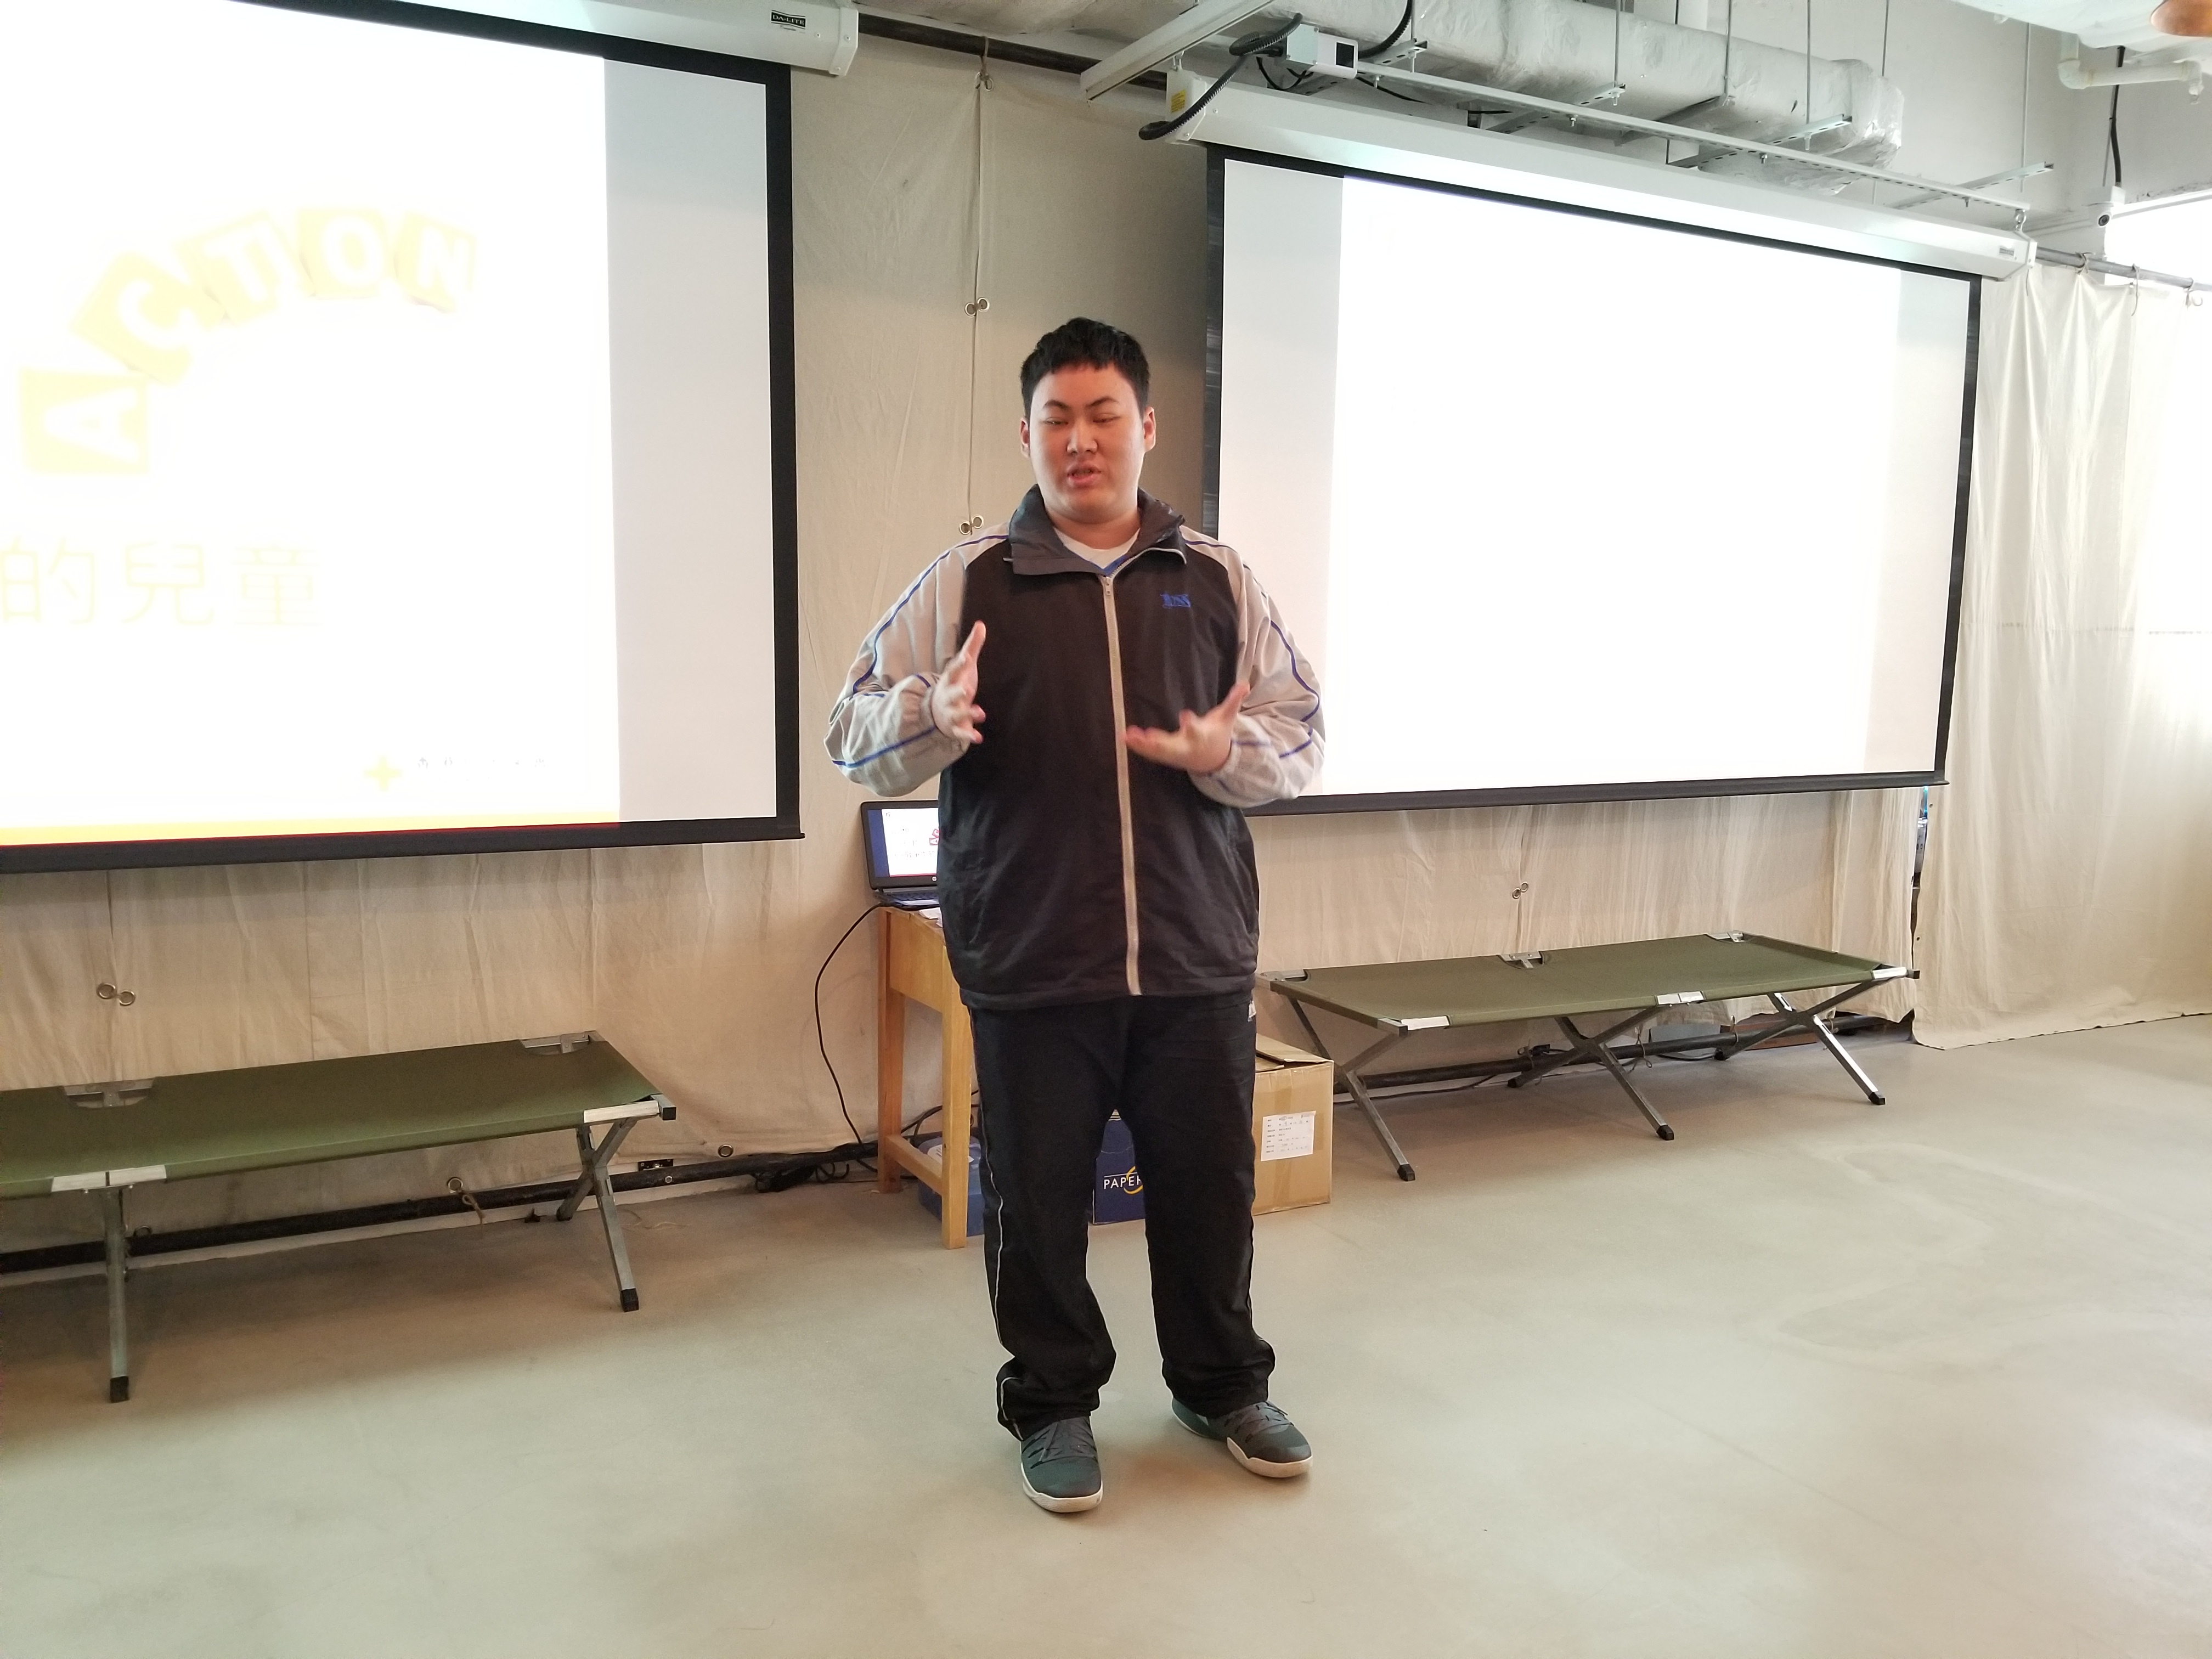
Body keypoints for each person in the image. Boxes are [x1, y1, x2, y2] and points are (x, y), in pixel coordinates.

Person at [826, 318, 1324, 1514]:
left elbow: (1304, 736)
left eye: (1105, 416)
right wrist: (930, 715)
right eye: (1058, 418)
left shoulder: (1218, 577)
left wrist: (1224, 753)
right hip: (1032, 959)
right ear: (1026, 434)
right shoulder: (970, 580)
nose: (1082, 440)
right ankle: (1051, 1402)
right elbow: (850, 735)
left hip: (1195, 957)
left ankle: (1221, 1384)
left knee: (1210, 1193)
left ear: (1147, 428)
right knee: (1039, 1203)